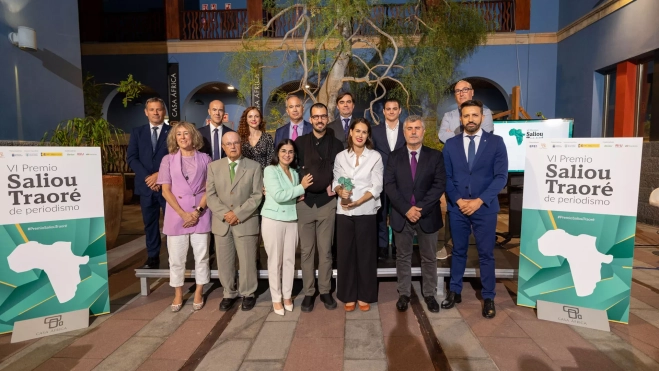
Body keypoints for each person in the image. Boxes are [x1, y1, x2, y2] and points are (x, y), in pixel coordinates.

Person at [441, 100, 508, 319]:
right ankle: (455, 291)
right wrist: (459, 201)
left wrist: (479, 201)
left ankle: (488, 296)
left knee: (486, 254)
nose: (470, 119)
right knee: (458, 251)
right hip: (457, 207)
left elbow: (501, 177)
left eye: (475, 115)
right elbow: (447, 177)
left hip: (485, 208)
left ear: (482, 117)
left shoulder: (496, 143)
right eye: (466, 115)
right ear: (461, 119)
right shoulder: (450, 145)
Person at [385, 115, 446, 313]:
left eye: (417, 128)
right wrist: (406, 209)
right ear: (404, 132)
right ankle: (404, 293)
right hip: (402, 216)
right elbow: (389, 186)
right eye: (409, 128)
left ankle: (429, 294)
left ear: (423, 131)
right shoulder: (394, 157)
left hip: (427, 215)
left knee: (429, 257)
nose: (413, 132)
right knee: (403, 257)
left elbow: (439, 185)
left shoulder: (435, 156)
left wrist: (419, 208)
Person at [156, 122, 212, 312]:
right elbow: (165, 190)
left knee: (202, 256)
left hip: (201, 214)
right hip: (176, 215)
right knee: (176, 258)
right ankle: (178, 293)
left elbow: (209, 188)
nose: (182, 137)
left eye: (186, 133)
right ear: (174, 138)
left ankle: (198, 291)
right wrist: (182, 214)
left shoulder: (206, 158)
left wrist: (196, 212)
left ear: (193, 136)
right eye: (178, 134)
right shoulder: (167, 160)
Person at [436, 80, 494, 260]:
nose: (461, 93)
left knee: (480, 210)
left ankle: (479, 248)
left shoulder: (486, 112)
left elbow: (484, 131)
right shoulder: (449, 114)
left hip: (479, 169)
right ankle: (449, 245)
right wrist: (462, 134)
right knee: (453, 206)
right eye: (457, 91)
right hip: (457, 168)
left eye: (465, 90)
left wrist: (454, 133)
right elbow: (441, 135)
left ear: (472, 92)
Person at [206, 131, 264, 311]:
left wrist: (237, 213)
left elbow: (256, 196)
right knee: (224, 261)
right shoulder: (214, 167)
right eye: (228, 144)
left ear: (241, 144)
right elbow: (210, 195)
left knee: (247, 261)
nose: (232, 146)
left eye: (236, 143)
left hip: (245, 221)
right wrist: (226, 214)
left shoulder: (254, 166)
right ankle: (228, 293)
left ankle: (248, 293)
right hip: (222, 223)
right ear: (223, 147)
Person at [295, 102, 344, 312]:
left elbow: (341, 171)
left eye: (323, 116)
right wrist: (298, 189)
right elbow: (292, 168)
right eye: (315, 117)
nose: (319, 120)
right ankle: (308, 292)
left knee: (325, 251)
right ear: (310, 119)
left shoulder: (337, 143)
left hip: (327, 203)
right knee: (306, 251)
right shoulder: (300, 142)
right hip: (304, 203)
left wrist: (337, 186)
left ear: (327, 117)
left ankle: (325, 291)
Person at [333, 118, 383, 312]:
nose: (360, 135)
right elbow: (336, 179)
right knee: (345, 254)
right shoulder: (340, 157)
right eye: (357, 131)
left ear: (367, 135)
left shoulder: (375, 157)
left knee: (366, 254)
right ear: (351, 133)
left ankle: (365, 295)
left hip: (366, 210)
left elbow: (377, 185)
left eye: (364, 132)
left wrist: (359, 201)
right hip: (344, 211)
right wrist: (339, 191)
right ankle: (348, 295)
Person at [262, 140, 314, 315]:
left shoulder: (293, 172)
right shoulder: (270, 170)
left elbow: (293, 196)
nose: (287, 154)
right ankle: (276, 298)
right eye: (284, 151)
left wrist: (298, 192)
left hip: (291, 218)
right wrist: (301, 188)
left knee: (290, 260)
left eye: (291, 152)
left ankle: (287, 296)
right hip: (273, 219)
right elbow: (278, 195)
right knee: (275, 260)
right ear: (278, 153)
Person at [127, 97, 171, 269]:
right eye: (152, 109)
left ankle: (173, 257)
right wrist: (148, 177)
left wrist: (160, 175)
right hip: (146, 187)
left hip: (167, 186)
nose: (155, 112)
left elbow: (176, 157)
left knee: (171, 223)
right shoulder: (137, 132)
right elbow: (132, 157)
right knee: (150, 224)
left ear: (164, 112)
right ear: (146, 112)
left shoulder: (173, 132)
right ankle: (153, 257)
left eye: (159, 109)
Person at [371, 98, 406, 260]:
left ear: (400, 111)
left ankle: (400, 247)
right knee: (381, 213)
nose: (391, 111)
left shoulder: (407, 129)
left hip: (402, 180)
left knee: (400, 213)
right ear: (383, 112)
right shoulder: (375, 131)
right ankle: (382, 246)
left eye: (394, 108)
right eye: (388, 109)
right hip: (381, 179)